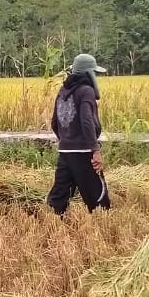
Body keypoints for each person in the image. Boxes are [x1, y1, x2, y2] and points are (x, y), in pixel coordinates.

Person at [47, 53, 110, 215]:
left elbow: (54, 122)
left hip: (65, 151)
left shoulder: (62, 91)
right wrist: (95, 150)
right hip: (83, 152)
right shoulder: (86, 91)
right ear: (88, 73)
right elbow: (87, 121)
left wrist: (67, 140)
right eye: (94, 72)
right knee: (97, 195)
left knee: (60, 194)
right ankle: (103, 224)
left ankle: (53, 221)